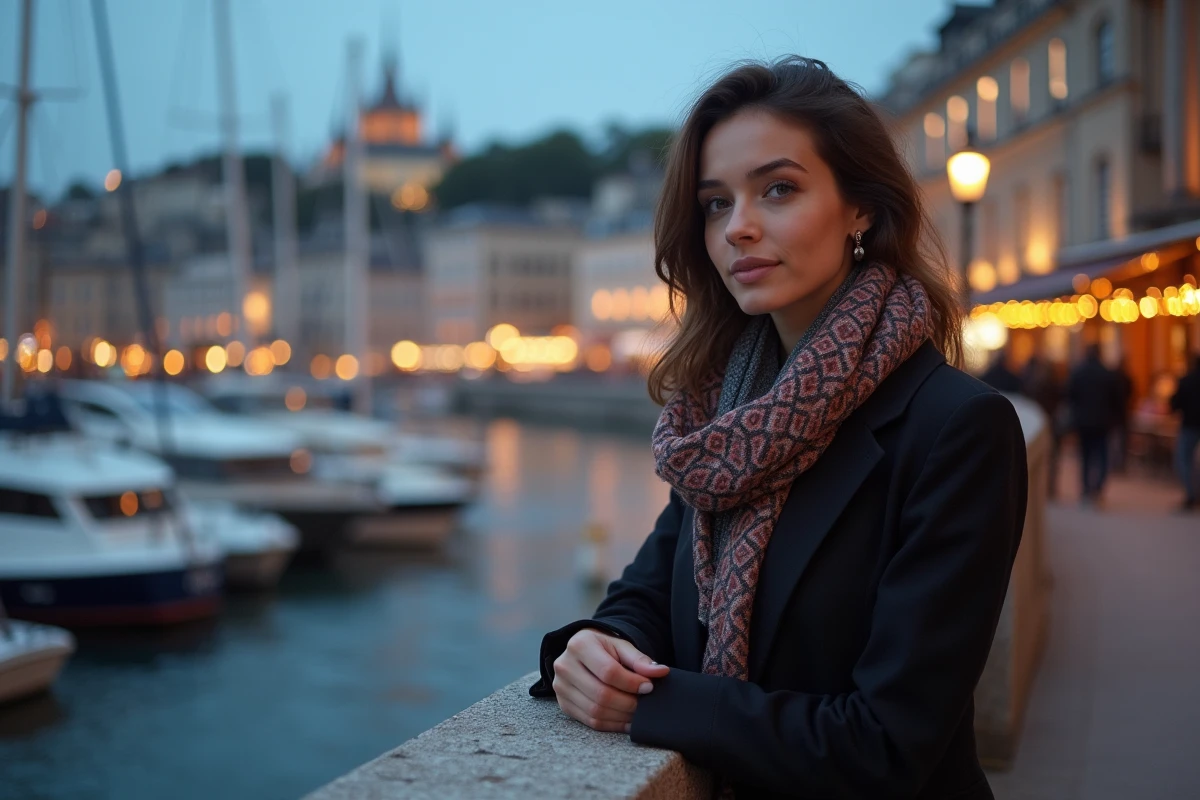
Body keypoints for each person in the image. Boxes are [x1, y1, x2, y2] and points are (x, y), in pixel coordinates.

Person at [529, 57, 1027, 799]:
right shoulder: (729, 421)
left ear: (860, 206)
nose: (740, 227)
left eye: (779, 189)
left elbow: (885, 745)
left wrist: (646, 700)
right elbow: (647, 595)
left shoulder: (956, 430)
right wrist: (589, 651)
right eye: (715, 203)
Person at [1066, 344, 1120, 505]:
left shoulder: (1078, 373)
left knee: (1085, 457)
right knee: (1102, 456)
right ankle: (1098, 488)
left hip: (1083, 422)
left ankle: (1085, 489)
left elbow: (1070, 396)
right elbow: (1116, 399)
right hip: (1103, 422)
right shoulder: (1107, 374)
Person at [1022, 354, 1064, 497]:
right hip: (1052, 423)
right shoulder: (1055, 384)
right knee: (1052, 457)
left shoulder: (1033, 383)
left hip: (1042, 422)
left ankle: (1044, 487)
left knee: (1044, 457)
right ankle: (1050, 486)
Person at [1171, 355, 1200, 511]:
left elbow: (1175, 403)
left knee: (1183, 459)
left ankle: (1191, 494)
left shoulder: (1186, 381)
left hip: (1190, 425)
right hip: (1192, 424)